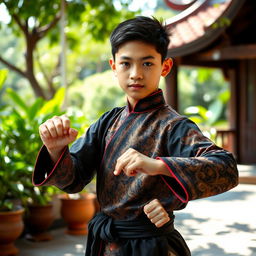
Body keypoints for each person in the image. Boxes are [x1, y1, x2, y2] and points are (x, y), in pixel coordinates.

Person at [33, 16, 238, 256]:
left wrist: (157, 165)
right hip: (106, 242)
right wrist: (56, 150)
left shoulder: (174, 126)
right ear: (113, 66)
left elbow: (226, 168)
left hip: (151, 245)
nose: (136, 74)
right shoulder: (107, 122)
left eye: (147, 64)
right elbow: (73, 180)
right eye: (126, 64)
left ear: (165, 67)